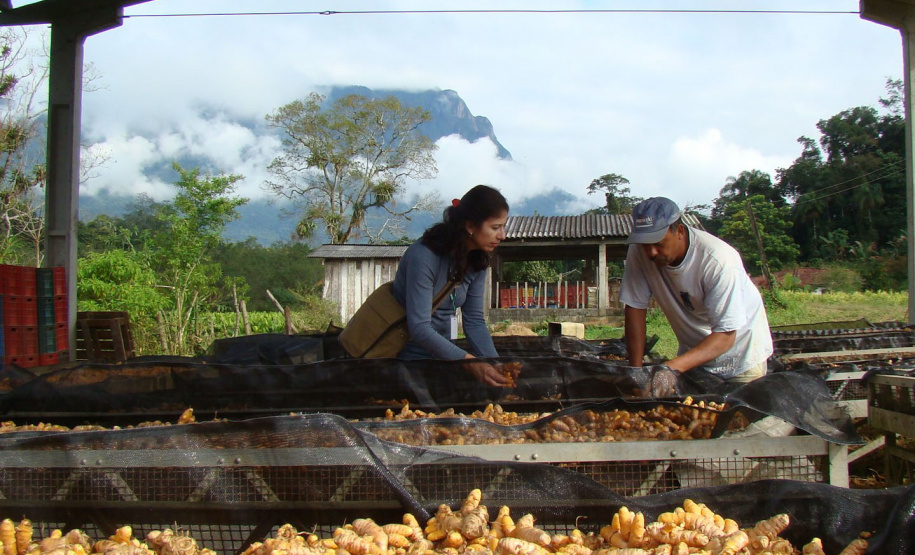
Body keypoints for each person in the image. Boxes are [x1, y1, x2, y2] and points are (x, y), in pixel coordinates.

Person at [619, 197, 773, 388]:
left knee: (737, 406)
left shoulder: (718, 261)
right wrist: (636, 375)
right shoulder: (640, 251)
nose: (651, 252)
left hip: (740, 355)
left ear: (679, 232)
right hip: (694, 356)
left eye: (659, 243)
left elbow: (725, 336)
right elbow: (635, 308)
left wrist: (669, 369)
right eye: (644, 244)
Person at [391, 184, 516, 387]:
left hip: (444, 357)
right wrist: (470, 362)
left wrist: (496, 364)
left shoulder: (477, 261)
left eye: (503, 227)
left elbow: (474, 321)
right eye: (495, 228)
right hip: (407, 358)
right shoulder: (423, 256)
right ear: (470, 226)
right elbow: (419, 328)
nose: (502, 235)